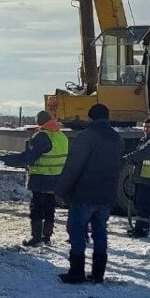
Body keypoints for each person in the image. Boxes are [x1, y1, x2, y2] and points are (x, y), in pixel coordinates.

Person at [54, 104, 125, 284]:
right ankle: (98, 273)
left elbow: (73, 167)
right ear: (107, 117)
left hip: (85, 195)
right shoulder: (117, 138)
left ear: (90, 117)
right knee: (100, 232)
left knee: (76, 230)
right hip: (106, 195)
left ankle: (77, 272)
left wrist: (60, 190)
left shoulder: (86, 137)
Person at [0, 111, 68, 247]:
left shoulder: (42, 136)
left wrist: (3, 160)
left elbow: (28, 158)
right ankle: (47, 237)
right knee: (50, 208)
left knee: (36, 208)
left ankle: (36, 237)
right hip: (56, 178)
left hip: (41, 178)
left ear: (39, 122)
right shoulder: (61, 136)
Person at [123, 118, 150, 238]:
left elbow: (144, 152)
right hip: (143, 177)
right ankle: (139, 228)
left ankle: (142, 230)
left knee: (144, 205)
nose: (145, 129)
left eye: (148, 127)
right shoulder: (146, 140)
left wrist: (129, 158)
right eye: (144, 126)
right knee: (139, 203)